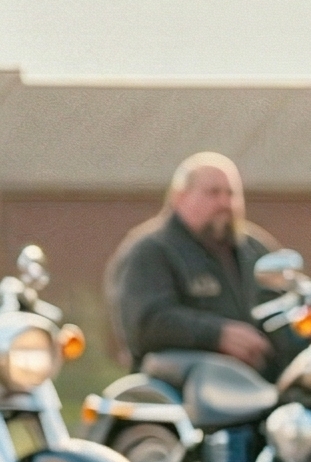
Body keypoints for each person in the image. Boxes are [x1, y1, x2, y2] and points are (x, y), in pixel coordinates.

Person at [105, 152, 294, 376]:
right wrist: (216, 334)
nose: (225, 203)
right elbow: (146, 324)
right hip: (184, 390)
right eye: (213, 193)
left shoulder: (255, 250)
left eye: (231, 193)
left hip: (260, 385)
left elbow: (285, 305)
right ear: (179, 197)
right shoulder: (151, 251)